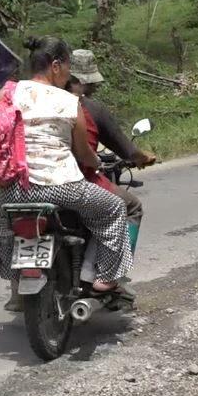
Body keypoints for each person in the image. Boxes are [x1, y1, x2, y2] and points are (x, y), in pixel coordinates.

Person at [0, 36, 133, 311]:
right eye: (68, 67)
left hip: (14, 189)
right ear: (56, 66)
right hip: (62, 186)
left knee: (0, 218)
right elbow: (82, 153)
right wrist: (96, 162)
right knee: (115, 209)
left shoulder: (10, 92)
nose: (69, 75)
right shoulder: (69, 101)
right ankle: (105, 279)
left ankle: (16, 278)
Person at [67, 49, 156, 248]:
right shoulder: (88, 108)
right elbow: (125, 149)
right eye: (92, 82)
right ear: (82, 81)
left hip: (32, 183)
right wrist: (141, 157)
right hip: (77, 181)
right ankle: (117, 265)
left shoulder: (40, 101)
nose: (95, 87)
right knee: (133, 207)